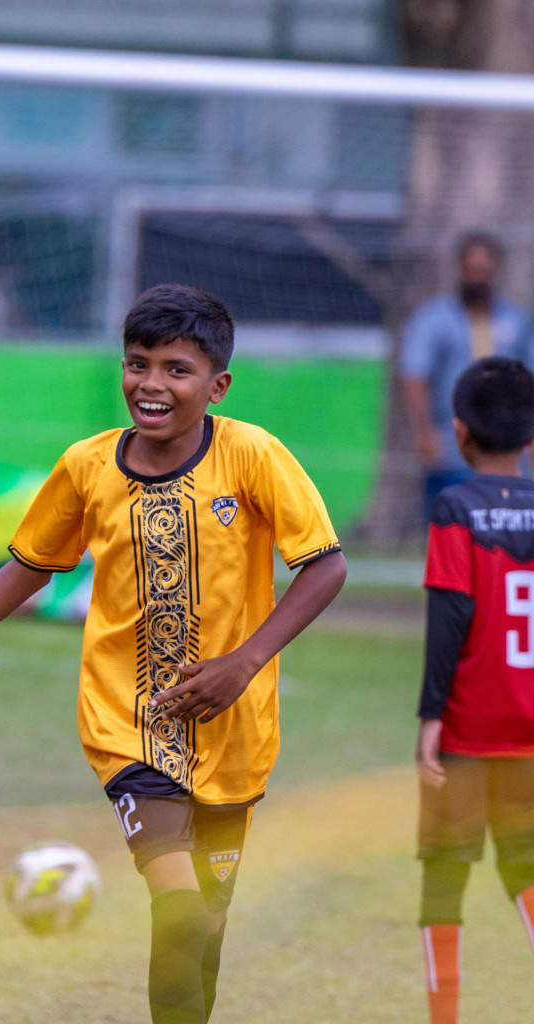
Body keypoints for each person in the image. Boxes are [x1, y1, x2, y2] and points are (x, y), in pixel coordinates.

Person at [0, 283, 348, 1024]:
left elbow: (326, 565)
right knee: (177, 911)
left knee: (202, 934)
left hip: (236, 733)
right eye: (137, 363)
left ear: (218, 385)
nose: (151, 384)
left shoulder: (255, 457)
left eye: (177, 369)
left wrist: (243, 662)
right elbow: (33, 560)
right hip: (129, 722)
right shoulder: (87, 466)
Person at [415, 356, 534, 1024]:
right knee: (527, 865)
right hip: (530, 733)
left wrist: (432, 713)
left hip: (465, 729)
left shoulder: (455, 508)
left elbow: (451, 612)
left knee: (445, 871)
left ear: (460, 432)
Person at [402, 232, 531, 520]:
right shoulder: (434, 320)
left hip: (508, 450)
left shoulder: (515, 321)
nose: (477, 279)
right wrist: (423, 432)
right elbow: (415, 375)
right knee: (451, 529)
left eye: (484, 272)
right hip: (453, 447)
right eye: (471, 271)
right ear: (460, 270)